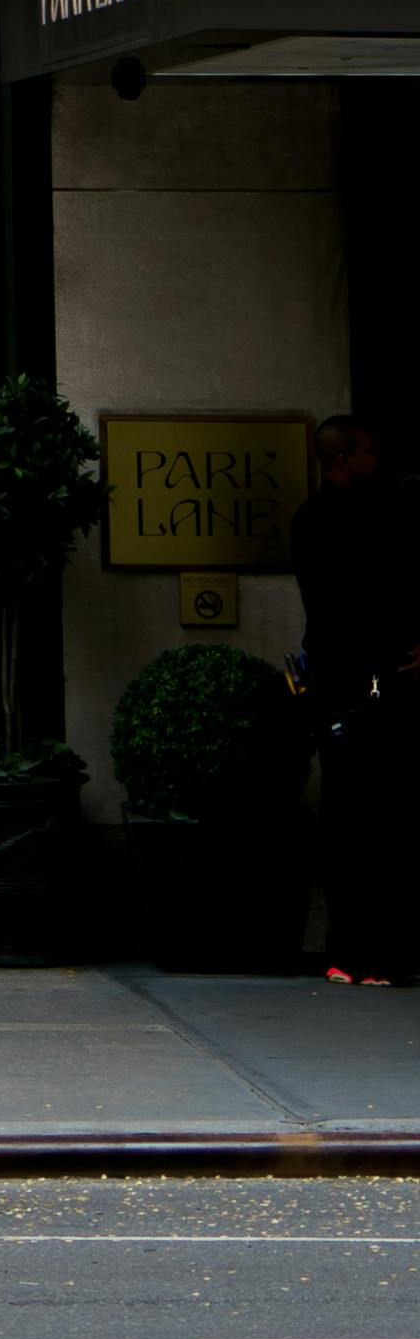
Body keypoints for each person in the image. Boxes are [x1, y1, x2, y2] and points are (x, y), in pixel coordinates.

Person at [293, 418, 420, 984]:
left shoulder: (313, 519)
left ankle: (350, 952)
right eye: (370, 451)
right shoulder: (358, 521)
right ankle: (376, 954)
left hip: (339, 684)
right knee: (378, 819)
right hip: (368, 686)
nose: (379, 459)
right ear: (345, 459)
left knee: (351, 816)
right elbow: (368, 602)